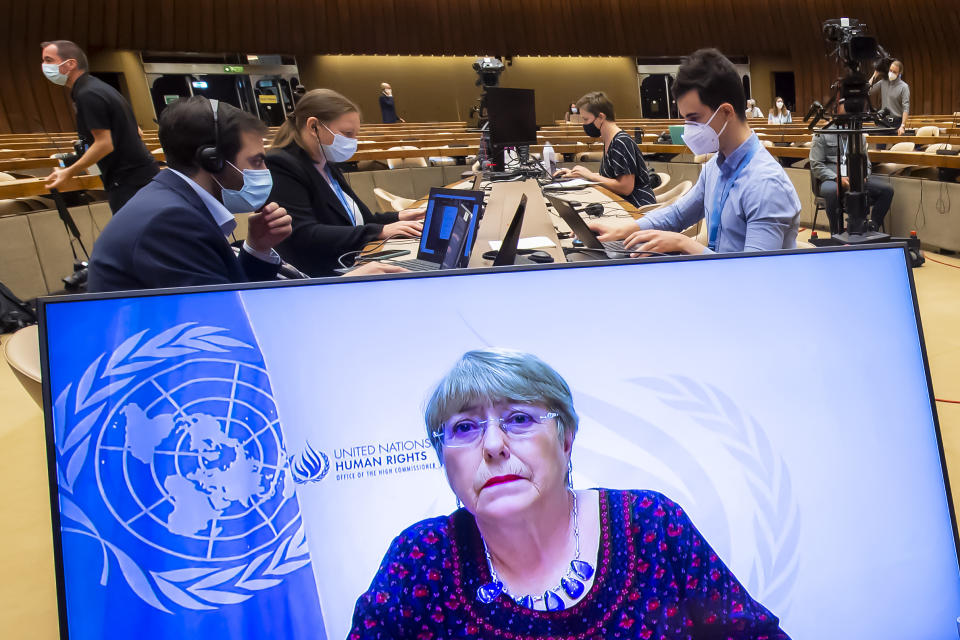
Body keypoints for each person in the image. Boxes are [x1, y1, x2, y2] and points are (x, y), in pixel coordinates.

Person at [350, 348, 790, 638]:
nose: (493, 445)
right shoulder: (420, 560)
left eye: (519, 419)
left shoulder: (650, 524)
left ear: (565, 438)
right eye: (464, 428)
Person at [586, 49, 801, 255]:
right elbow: (678, 214)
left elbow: (756, 276)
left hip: (747, 289)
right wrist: (624, 230)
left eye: (694, 118)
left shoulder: (765, 184)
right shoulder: (714, 168)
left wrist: (684, 244)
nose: (688, 129)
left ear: (726, 111)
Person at [267, 89, 424, 276]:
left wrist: (398, 218)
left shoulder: (326, 163)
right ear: (313, 126)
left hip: (353, 261)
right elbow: (304, 233)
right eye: (347, 133)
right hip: (321, 276)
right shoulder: (281, 164)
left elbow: (359, 220)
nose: (353, 141)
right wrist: (379, 231)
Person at [41, 40, 158, 213]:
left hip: (128, 182)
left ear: (71, 64)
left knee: (133, 236)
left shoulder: (87, 95)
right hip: (143, 176)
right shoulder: (101, 87)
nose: (44, 66)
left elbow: (105, 143)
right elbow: (136, 131)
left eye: (49, 60)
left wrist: (69, 172)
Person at [554, 91, 656, 207]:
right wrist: (580, 175)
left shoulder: (620, 142)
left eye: (586, 119)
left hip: (636, 208)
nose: (584, 124)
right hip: (621, 204)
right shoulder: (610, 140)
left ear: (601, 117)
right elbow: (612, 178)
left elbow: (625, 187)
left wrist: (590, 176)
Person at [809, 101, 894, 234]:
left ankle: (873, 227)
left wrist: (863, 176)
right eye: (844, 115)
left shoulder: (858, 134)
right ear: (835, 114)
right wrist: (837, 178)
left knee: (887, 190)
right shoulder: (822, 134)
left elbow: (867, 163)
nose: (848, 119)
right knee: (832, 192)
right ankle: (835, 233)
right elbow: (816, 164)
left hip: (856, 178)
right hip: (831, 179)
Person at [869, 60, 909, 135]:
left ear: (899, 73)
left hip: (897, 123)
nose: (891, 73)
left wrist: (902, 125)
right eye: (890, 70)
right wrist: (875, 74)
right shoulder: (883, 82)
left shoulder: (904, 87)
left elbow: (905, 108)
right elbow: (868, 91)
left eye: (894, 72)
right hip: (884, 121)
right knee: (879, 146)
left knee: (897, 147)